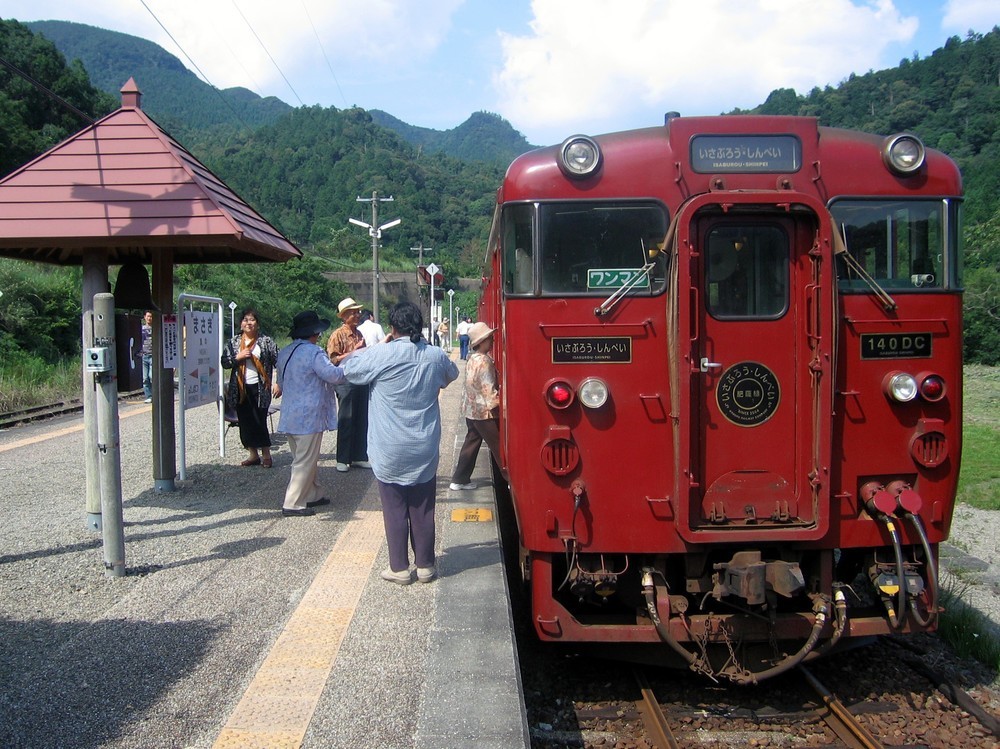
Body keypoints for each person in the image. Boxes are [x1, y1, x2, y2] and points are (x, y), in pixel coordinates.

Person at [341, 301, 459, 584]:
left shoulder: (382, 353)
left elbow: (350, 370)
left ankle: (399, 568)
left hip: (388, 444)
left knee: (394, 507)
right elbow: (451, 375)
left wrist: (380, 344)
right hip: (423, 443)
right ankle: (426, 565)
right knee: (423, 506)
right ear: (419, 327)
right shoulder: (434, 355)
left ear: (392, 328)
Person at [274, 310, 346, 517]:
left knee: (304, 458)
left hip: (290, 413)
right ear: (314, 333)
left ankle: (313, 493)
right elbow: (332, 375)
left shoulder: (285, 352)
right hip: (309, 415)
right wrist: (347, 368)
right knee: (304, 461)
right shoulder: (314, 353)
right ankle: (293, 502)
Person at [450, 322, 506, 491]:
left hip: (471, 409)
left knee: (471, 442)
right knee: (498, 448)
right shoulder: (485, 361)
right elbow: (488, 389)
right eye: (489, 339)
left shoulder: (472, 358)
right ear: (481, 342)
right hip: (484, 413)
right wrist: (501, 406)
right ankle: (509, 478)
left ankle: (459, 479)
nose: (492, 341)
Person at [221, 307, 278, 468]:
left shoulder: (266, 341)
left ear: (257, 324)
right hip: (240, 388)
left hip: (260, 388)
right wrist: (237, 357)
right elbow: (224, 362)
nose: (249, 323)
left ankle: (266, 454)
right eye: (245, 320)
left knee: (260, 420)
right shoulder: (233, 343)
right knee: (244, 421)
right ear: (240, 324)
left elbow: (278, 361)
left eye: (252, 320)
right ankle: (253, 454)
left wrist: (278, 382)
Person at [327, 297, 371, 473]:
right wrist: (355, 351)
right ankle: (343, 458)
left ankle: (359, 456)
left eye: (358, 312)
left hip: (360, 378)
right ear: (344, 316)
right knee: (346, 418)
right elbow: (333, 359)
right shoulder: (337, 335)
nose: (358, 315)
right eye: (354, 312)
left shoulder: (359, 334)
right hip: (345, 381)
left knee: (362, 417)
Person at [140, 310, 154, 403]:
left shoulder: (156, 328)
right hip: (144, 355)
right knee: (145, 378)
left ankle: (155, 394)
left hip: (153, 355)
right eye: (148, 316)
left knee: (152, 376)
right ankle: (148, 396)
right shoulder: (141, 329)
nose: (149, 318)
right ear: (145, 317)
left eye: (151, 316)